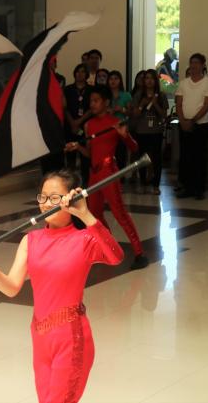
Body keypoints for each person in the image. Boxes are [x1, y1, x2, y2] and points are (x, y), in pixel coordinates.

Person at [0, 168, 124, 403]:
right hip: (40, 338)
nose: (47, 204)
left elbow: (116, 256)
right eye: (43, 197)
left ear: (71, 200)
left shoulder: (84, 240)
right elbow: (11, 287)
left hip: (71, 338)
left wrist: (86, 215)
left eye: (55, 198)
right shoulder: (31, 240)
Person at [65, 85, 148, 270]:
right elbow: (90, 153)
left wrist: (124, 137)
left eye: (96, 101)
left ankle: (139, 253)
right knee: (95, 214)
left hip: (109, 172)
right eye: (91, 101)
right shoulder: (89, 125)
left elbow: (134, 148)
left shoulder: (115, 123)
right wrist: (77, 147)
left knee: (120, 213)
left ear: (106, 102)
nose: (92, 104)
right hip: (94, 174)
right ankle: (110, 248)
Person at [175, 53, 208, 200]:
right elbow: (178, 104)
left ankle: (199, 188)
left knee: (199, 157)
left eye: (197, 63)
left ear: (203, 65)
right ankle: (186, 187)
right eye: (192, 62)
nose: (194, 65)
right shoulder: (183, 83)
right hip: (184, 124)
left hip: (200, 125)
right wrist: (183, 120)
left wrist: (192, 120)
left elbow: (206, 105)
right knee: (186, 156)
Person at [132, 70, 168, 195]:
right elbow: (135, 114)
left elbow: (164, 115)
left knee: (157, 159)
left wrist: (155, 103)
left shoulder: (161, 95)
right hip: (141, 131)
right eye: (147, 78)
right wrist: (142, 104)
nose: (149, 80)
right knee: (142, 158)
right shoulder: (138, 95)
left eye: (152, 78)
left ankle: (155, 186)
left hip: (156, 131)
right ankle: (142, 184)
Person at [64, 63, 92, 185]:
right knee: (70, 157)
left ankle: (85, 183)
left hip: (85, 127)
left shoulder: (91, 90)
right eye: (78, 71)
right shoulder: (67, 89)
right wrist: (73, 123)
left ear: (86, 75)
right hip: (70, 126)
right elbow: (64, 108)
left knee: (85, 157)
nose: (80, 74)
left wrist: (79, 122)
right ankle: (71, 183)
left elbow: (92, 108)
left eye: (82, 72)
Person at [108, 70, 132, 170]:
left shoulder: (126, 95)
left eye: (116, 79)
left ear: (120, 81)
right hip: (108, 127)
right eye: (111, 79)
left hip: (121, 127)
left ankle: (120, 177)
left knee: (121, 153)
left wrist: (122, 109)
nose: (113, 81)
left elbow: (130, 113)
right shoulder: (105, 95)